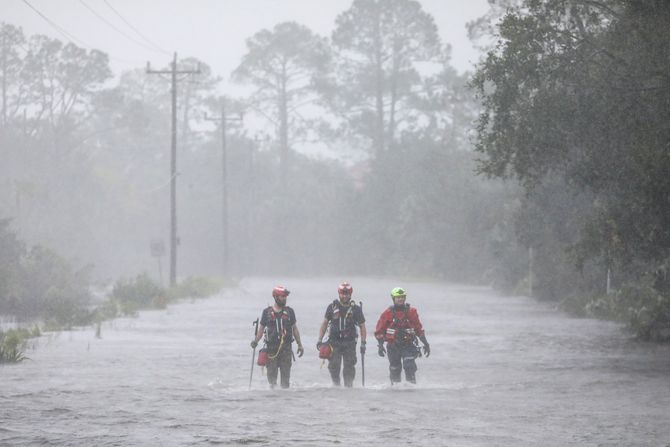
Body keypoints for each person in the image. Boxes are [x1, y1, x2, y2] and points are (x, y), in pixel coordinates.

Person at [251, 286, 304, 389]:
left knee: (285, 383)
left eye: (285, 296)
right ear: (275, 297)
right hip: (271, 351)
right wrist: (256, 341)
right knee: (272, 383)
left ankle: (285, 401)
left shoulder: (290, 312)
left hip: (286, 350)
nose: (284, 298)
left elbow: (295, 329)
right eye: (282, 296)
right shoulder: (266, 312)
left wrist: (300, 345)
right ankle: (273, 401)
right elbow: (261, 329)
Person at [374, 287, 430, 384]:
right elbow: (379, 331)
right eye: (398, 297)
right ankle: (395, 392)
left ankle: (411, 390)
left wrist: (426, 343)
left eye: (402, 297)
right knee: (395, 369)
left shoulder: (411, 312)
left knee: (409, 366)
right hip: (393, 346)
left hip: (408, 344)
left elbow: (418, 329)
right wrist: (380, 345)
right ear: (393, 298)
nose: (400, 299)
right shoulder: (387, 313)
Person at [316, 282, 367, 387]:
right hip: (334, 342)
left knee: (349, 366)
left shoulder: (356, 309)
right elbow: (324, 323)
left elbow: (362, 326)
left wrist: (363, 343)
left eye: (347, 293)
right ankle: (336, 386)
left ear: (350, 294)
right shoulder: (331, 307)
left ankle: (348, 387)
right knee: (334, 365)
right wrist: (319, 340)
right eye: (342, 293)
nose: (345, 296)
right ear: (339, 293)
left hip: (350, 342)